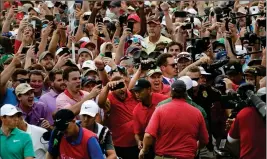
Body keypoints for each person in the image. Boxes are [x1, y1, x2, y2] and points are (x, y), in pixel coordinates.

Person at [139, 80, 209, 159]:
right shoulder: (197, 112)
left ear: (171, 93)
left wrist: (144, 150)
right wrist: (194, 149)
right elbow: (204, 140)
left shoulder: (160, 109)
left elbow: (148, 136)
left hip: (164, 156)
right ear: (185, 93)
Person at [98, 76, 139, 159]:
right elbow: (101, 103)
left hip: (137, 143)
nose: (121, 89)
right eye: (117, 87)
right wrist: (107, 87)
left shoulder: (133, 95)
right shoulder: (109, 98)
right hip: (119, 145)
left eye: (122, 85)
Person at [132, 79, 169, 159]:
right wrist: (139, 142)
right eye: (135, 92)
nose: (137, 94)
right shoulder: (137, 110)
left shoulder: (164, 100)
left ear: (149, 89)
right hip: (150, 147)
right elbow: (137, 133)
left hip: (168, 144)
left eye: (140, 91)